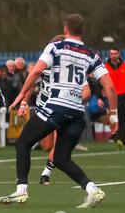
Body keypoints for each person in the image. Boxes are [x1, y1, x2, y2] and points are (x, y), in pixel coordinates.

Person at [0, 14, 118, 208]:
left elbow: (35, 71)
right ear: (82, 30)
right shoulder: (91, 54)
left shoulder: (55, 47)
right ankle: (92, 189)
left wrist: (21, 95)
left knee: (23, 143)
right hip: (77, 113)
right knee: (61, 158)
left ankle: (21, 191)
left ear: (65, 29)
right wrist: (113, 115)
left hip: (55, 107)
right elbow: (109, 87)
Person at [17, 35, 91, 186]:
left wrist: (73, 100)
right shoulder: (45, 65)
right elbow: (31, 84)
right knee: (47, 146)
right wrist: (24, 103)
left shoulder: (65, 65)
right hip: (43, 108)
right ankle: (45, 174)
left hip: (58, 109)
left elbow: (87, 91)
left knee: (56, 146)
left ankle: (44, 175)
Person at [104, 48, 125, 150]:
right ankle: (116, 137)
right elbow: (100, 82)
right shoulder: (105, 67)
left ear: (119, 54)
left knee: (121, 117)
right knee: (113, 116)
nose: (113, 55)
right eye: (111, 54)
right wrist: (100, 96)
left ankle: (121, 140)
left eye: (115, 53)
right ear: (109, 55)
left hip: (124, 94)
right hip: (111, 95)